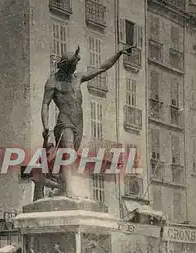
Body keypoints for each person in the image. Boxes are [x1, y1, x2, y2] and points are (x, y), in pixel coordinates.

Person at [41, 45, 135, 196]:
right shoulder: (53, 82)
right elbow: (45, 104)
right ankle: (71, 187)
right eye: (73, 66)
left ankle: (64, 186)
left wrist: (117, 54)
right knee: (69, 150)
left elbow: (101, 68)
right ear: (66, 66)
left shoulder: (77, 78)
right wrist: (45, 126)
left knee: (72, 154)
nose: (74, 69)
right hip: (64, 120)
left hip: (78, 120)